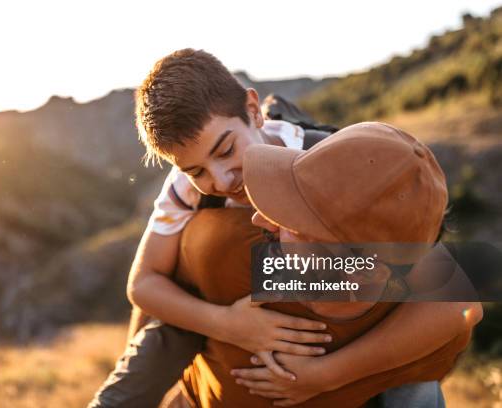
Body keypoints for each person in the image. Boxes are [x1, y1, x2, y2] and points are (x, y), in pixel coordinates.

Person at [88, 50, 482, 407]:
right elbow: (144, 285)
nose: (222, 179)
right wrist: (228, 325)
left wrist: (324, 377)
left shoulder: (327, 163)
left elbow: (450, 296)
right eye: (196, 171)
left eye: (226, 150)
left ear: (254, 110)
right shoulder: (187, 191)